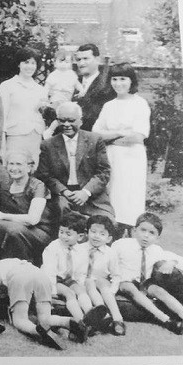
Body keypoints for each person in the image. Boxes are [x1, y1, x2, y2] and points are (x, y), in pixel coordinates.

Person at [116, 212, 183, 340]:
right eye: (143, 230)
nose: (146, 235)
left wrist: (172, 262)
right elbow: (109, 262)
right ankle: (165, 320)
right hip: (124, 281)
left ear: (157, 238)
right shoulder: (122, 245)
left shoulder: (156, 250)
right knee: (130, 287)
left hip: (144, 283)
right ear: (134, 231)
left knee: (159, 291)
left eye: (152, 233)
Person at [92, 63, 151, 233]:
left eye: (123, 79)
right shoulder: (109, 105)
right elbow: (96, 133)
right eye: (115, 79)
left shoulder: (139, 104)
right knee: (112, 195)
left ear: (131, 81)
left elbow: (138, 136)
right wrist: (119, 133)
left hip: (131, 158)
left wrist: (109, 138)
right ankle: (111, 234)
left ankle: (130, 235)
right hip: (111, 157)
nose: (118, 83)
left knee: (129, 198)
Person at [36, 101, 114, 221]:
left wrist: (86, 192)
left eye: (71, 120)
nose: (66, 124)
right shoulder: (48, 144)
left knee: (107, 222)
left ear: (80, 121)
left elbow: (104, 172)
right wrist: (64, 191)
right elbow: (45, 175)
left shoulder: (95, 140)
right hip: (64, 196)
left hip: (92, 195)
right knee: (65, 218)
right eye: (62, 121)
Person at [0, 257, 88, 349]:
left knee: (20, 319)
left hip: (19, 276)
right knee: (45, 317)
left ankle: (37, 331)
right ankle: (67, 321)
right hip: (41, 275)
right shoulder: (19, 261)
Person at [0, 151, 54, 265]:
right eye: (11, 164)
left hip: (37, 232)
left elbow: (33, 219)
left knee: (11, 229)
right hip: (15, 227)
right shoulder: (6, 184)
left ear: (29, 167)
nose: (14, 168)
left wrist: (2, 216)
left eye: (19, 164)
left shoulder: (38, 186)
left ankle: (22, 264)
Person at [41, 212, 94, 336]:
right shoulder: (53, 247)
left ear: (80, 237)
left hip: (69, 279)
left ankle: (91, 315)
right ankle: (80, 322)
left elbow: (81, 271)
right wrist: (53, 291)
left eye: (68, 234)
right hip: (54, 279)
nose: (63, 236)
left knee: (80, 290)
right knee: (69, 293)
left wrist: (80, 284)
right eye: (61, 232)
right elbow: (49, 271)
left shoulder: (81, 250)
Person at [0, 47, 48, 165]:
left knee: (32, 168)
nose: (30, 66)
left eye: (33, 63)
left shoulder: (41, 89)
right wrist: (2, 146)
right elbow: (1, 117)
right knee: (14, 168)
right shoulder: (7, 86)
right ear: (19, 64)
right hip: (15, 137)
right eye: (26, 62)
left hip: (35, 137)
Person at [83, 215, 125, 336]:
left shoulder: (110, 253)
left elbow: (116, 275)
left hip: (101, 282)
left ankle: (117, 319)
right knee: (88, 282)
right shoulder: (79, 249)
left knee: (103, 286)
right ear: (87, 233)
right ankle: (102, 317)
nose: (96, 236)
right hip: (84, 282)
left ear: (108, 238)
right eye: (93, 232)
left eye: (102, 234)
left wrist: (112, 291)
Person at [74, 43, 115, 131]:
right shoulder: (73, 82)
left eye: (86, 59)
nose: (81, 63)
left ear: (97, 60)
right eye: (78, 59)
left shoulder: (108, 86)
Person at [42, 51, 83, 139]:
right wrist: (44, 98)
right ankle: (50, 131)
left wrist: (82, 90)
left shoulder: (72, 74)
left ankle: (69, 134)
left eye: (67, 62)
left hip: (67, 101)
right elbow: (46, 88)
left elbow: (77, 84)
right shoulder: (53, 75)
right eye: (61, 61)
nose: (64, 64)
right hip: (56, 100)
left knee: (70, 115)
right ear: (55, 63)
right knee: (58, 117)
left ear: (71, 63)